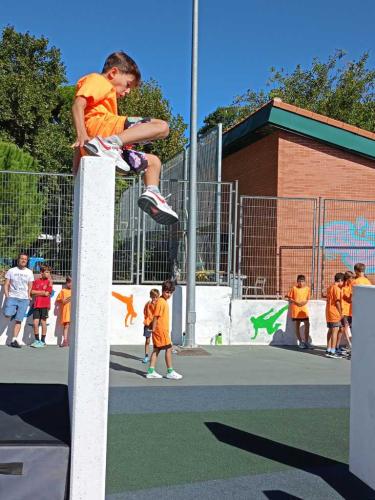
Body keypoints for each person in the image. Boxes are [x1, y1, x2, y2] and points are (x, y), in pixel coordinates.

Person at [71, 51, 178, 226]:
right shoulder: (98, 81)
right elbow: (78, 104)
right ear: (113, 73)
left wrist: (76, 175)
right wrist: (81, 133)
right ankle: (111, 144)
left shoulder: (107, 100)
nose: (128, 91)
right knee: (161, 127)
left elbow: (81, 148)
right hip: (104, 132)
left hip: (103, 146)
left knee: (153, 162)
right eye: (128, 84)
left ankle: (152, 193)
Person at [146, 280, 182, 380]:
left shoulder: (162, 301)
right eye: (167, 292)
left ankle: (151, 371)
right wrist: (153, 329)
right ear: (162, 291)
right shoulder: (161, 302)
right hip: (161, 331)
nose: (168, 294)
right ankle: (170, 371)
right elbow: (155, 317)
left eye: (170, 292)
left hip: (160, 330)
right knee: (169, 348)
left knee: (156, 350)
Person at [2, 253, 34, 348]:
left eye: (25, 259)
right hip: (12, 297)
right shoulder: (12, 271)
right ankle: (13, 312)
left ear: (27, 261)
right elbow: (6, 284)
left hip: (24, 299)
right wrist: (7, 295)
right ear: (18, 260)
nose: (23, 260)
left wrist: (29, 296)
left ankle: (14, 339)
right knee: (8, 314)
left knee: (19, 320)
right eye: (22, 259)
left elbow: (30, 285)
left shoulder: (29, 272)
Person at [286, 275, 312, 349]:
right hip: (296, 310)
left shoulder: (307, 289)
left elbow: (308, 299)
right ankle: (300, 342)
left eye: (302, 281)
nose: (301, 283)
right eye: (299, 281)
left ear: (305, 282)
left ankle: (306, 342)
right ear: (297, 282)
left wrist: (304, 303)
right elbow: (289, 297)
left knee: (307, 324)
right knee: (297, 325)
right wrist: (296, 302)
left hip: (303, 310)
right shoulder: (294, 288)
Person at [30, 265, 53, 348]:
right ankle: (37, 340)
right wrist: (42, 292)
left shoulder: (49, 281)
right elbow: (32, 292)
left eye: (49, 272)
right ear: (41, 272)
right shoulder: (36, 281)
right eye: (46, 272)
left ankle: (43, 341)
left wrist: (38, 292)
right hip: (36, 305)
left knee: (43, 322)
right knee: (35, 323)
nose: (48, 274)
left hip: (44, 305)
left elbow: (47, 293)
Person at [325, 272, 344, 359]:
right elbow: (337, 301)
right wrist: (341, 313)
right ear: (340, 280)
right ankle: (333, 351)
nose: (343, 284)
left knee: (330, 331)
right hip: (335, 313)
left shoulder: (330, 287)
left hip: (329, 312)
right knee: (335, 332)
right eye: (343, 281)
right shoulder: (336, 289)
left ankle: (328, 349)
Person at [338, 271, 354, 355]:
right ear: (347, 278)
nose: (352, 279)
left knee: (350, 327)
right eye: (350, 278)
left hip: (351, 311)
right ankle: (349, 345)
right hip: (344, 310)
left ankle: (350, 345)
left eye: (352, 277)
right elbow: (348, 299)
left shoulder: (352, 286)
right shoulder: (343, 288)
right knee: (345, 328)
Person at [142, 288, 160, 364]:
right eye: (153, 297)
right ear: (150, 296)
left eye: (156, 297)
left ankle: (154, 356)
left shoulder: (159, 304)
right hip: (148, 324)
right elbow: (145, 312)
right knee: (148, 340)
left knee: (156, 341)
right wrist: (148, 319)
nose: (154, 298)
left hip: (156, 324)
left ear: (158, 297)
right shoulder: (148, 304)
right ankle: (146, 356)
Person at [56, 276, 72, 347]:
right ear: (66, 283)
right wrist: (62, 300)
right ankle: (65, 340)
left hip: (74, 312)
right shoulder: (63, 291)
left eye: (72, 282)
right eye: (69, 282)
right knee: (66, 325)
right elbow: (58, 299)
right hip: (66, 311)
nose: (70, 284)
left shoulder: (76, 291)